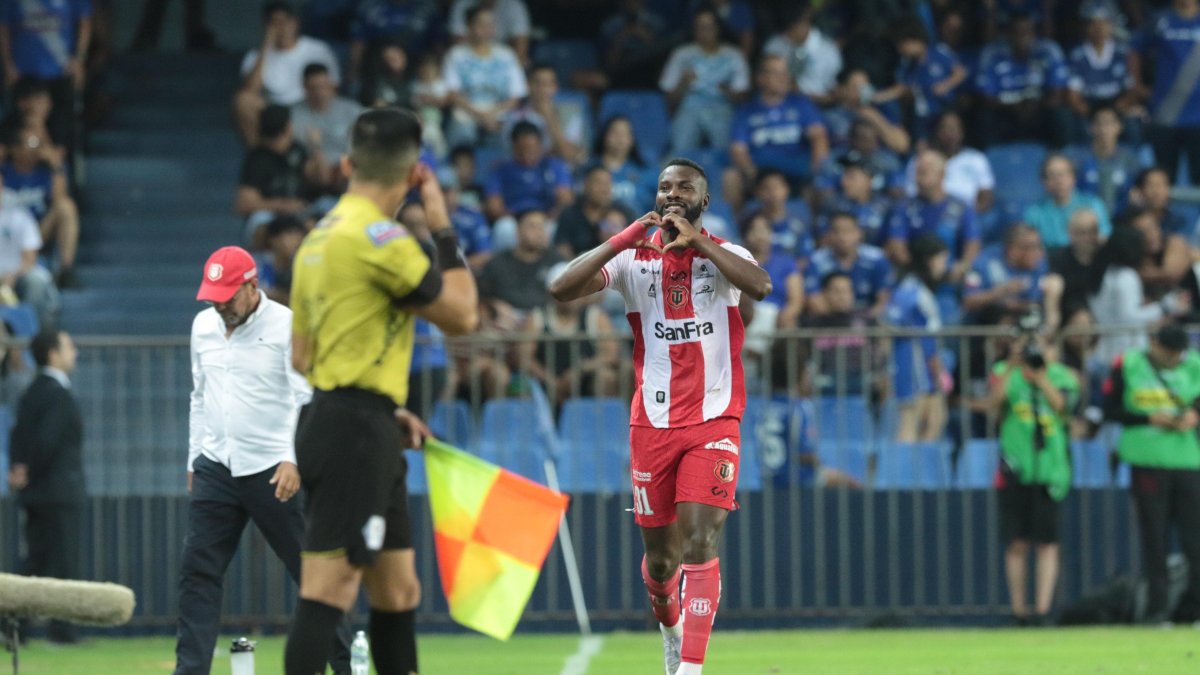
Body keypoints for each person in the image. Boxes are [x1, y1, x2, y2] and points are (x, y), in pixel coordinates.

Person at [549, 157, 771, 675]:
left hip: (715, 420)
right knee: (662, 562)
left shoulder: (725, 255)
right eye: (664, 186)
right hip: (652, 424)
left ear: (703, 200)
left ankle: (690, 670)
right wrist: (624, 237)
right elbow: (561, 291)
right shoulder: (633, 259)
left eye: (684, 187)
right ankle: (671, 630)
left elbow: (760, 287)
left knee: (701, 540)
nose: (672, 194)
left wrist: (700, 244)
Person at [283, 108, 478, 675]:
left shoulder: (317, 240)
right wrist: (441, 224)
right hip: (355, 433)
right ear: (415, 173)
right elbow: (463, 315)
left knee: (398, 590)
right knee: (331, 585)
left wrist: (382, 404)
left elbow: (302, 355)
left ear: (347, 164)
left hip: (352, 418)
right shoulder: (382, 240)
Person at [176, 246, 351, 675]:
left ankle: (348, 667)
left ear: (252, 286)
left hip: (274, 467)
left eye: (227, 295)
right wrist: (194, 457)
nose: (219, 305)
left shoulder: (287, 326)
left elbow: (304, 397)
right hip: (217, 463)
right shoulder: (204, 326)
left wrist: (293, 459)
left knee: (312, 574)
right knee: (198, 572)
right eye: (213, 296)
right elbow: (199, 397)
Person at [1103, 323, 1200, 624]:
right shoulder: (1128, 364)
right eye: (1169, 352)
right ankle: (1157, 611)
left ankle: (1193, 610)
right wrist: (1148, 417)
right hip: (1145, 460)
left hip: (1187, 462)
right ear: (1153, 343)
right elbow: (1110, 409)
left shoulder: (1194, 365)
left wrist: (1194, 415)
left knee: (1195, 540)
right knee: (1154, 539)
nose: (1174, 359)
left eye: (1178, 353)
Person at [989, 332, 1079, 626]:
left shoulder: (1063, 376)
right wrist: (1014, 367)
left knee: (1046, 542)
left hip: (1050, 469)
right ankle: (1018, 610)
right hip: (1016, 467)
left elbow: (1063, 407)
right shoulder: (1004, 373)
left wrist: (1041, 377)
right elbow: (994, 405)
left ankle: (1042, 610)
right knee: (1016, 542)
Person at [6, 329, 82, 643]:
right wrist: (30, 469)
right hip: (59, 490)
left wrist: (20, 470)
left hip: (35, 492)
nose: (74, 352)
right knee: (61, 562)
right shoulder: (59, 393)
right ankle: (62, 630)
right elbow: (48, 441)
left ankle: (13, 627)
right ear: (53, 354)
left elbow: (17, 435)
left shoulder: (30, 391)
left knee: (34, 562)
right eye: (68, 346)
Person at [724, 54, 828, 213]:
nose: (783, 78)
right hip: (760, 172)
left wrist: (817, 169)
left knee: (822, 180)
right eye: (776, 73)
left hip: (796, 172)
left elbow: (819, 138)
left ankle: (814, 231)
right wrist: (752, 173)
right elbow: (738, 149)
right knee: (731, 177)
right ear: (761, 78)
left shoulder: (800, 103)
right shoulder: (747, 110)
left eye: (785, 73)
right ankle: (736, 229)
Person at [234, 2, 339, 146]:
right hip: (276, 110)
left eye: (285, 21)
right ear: (266, 25)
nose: (281, 27)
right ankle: (262, 156)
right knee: (243, 100)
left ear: (295, 22)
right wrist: (266, 45)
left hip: (310, 105)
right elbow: (251, 90)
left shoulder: (318, 49)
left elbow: (333, 87)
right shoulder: (254, 56)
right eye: (274, 23)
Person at [0, 0, 91, 154]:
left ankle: (57, 168)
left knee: (59, 132)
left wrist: (79, 60)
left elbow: (85, 21)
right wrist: (8, 65)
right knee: (20, 130)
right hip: (24, 73)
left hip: (60, 72)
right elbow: (3, 26)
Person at [658, 8, 750, 154]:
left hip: (721, 108)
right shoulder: (682, 54)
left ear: (718, 28)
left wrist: (728, 91)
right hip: (690, 107)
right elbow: (668, 99)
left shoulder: (734, 55)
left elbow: (743, 99)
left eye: (708, 27)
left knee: (728, 151)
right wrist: (683, 84)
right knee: (679, 151)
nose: (704, 32)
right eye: (699, 27)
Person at [886, 234, 950, 443]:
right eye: (942, 259)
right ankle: (903, 474)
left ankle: (921, 470)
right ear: (929, 260)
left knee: (937, 418)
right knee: (910, 420)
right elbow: (891, 322)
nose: (945, 265)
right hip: (913, 361)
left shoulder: (922, 289)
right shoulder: (910, 290)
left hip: (927, 363)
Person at [974, 12, 1071, 148]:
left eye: (1026, 32)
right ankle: (990, 158)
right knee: (984, 117)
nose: (1022, 37)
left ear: (1034, 34)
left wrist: (1034, 106)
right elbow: (986, 97)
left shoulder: (1048, 51)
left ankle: (1061, 157)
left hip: (1038, 112)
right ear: (1008, 34)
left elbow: (1056, 94)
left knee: (1061, 114)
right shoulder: (993, 54)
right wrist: (1013, 107)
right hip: (1005, 113)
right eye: (1016, 32)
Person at [2, 125, 79, 288]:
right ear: (14, 148)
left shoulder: (45, 172)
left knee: (66, 207)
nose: (34, 149)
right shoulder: (4, 170)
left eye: (38, 144)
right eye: (30, 144)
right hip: (6, 232)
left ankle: (65, 270)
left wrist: (56, 165)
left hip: (37, 230)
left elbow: (59, 199)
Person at [1133, 0, 1200, 185]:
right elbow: (1135, 48)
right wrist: (1137, 84)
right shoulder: (1160, 20)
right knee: (1164, 178)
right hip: (1166, 113)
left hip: (1199, 115)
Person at [235, 105, 324, 244]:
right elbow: (244, 204)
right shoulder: (257, 159)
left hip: (302, 210)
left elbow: (320, 179)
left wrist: (316, 148)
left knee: (326, 208)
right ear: (288, 127)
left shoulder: (297, 149)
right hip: (273, 214)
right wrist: (283, 205)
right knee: (260, 221)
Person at [442, 4, 527, 149]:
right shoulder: (456, 55)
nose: (486, 28)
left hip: (500, 114)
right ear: (469, 26)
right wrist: (481, 115)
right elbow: (452, 94)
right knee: (461, 131)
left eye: (490, 24)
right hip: (467, 114)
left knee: (516, 132)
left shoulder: (506, 55)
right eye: (481, 24)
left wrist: (491, 114)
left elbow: (516, 96)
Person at [805, 210, 893, 318]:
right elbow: (814, 301)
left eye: (848, 231)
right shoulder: (816, 261)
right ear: (829, 235)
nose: (842, 237)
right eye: (836, 231)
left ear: (859, 233)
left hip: (868, 320)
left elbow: (883, 300)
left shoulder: (877, 259)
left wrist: (864, 322)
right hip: (829, 320)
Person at [1064, 107, 1146, 215]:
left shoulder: (1130, 159)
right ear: (1090, 128)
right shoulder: (1076, 158)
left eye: (1109, 123)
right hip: (1083, 217)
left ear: (1119, 127)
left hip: (1122, 217)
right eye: (1099, 124)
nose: (1104, 129)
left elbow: (1140, 189)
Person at [0, 177, 58, 329]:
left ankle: (33, 337)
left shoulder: (19, 216)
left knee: (36, 282)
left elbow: (30, 259)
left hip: (18, 276)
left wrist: (12, 275)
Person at [1023, 154, 1112, 249]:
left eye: (1062, 174)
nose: (1058, 181)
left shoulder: (1093, 204)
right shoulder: (1034, 213)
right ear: (1044, 182)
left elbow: (1103, 237)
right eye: (1052, 176)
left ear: (1073, 178)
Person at [290, 63, 362, 179]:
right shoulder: (294, 114)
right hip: (312, 166)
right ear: (305, 88)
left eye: (323, 86)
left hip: (344, 163)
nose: (319, 93)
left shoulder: (351, 110)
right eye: (313, 88)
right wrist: (316, 147)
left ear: (331, 85)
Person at [762, 4, 842, 103]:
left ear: (804, 23)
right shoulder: (775, 44)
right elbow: (766, 79)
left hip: (819, 104)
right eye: (785, 30)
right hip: (782, 101)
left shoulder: (829, 50)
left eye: (790, 28)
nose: (786, 35)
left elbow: (832, 88)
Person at [555, 165, 632, 258]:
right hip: (578, 266)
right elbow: (562, 250)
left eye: (607, 183)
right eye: (599, 183)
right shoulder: (570, 213)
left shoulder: (623, 212)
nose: (604, 189)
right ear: (586, 185)